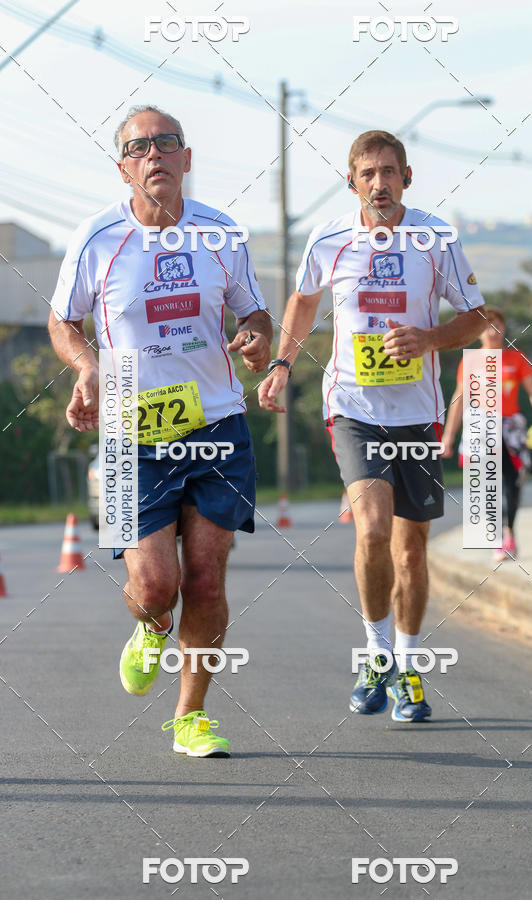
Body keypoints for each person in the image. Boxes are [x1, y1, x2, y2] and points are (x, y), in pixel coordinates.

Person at [48, 105, 272, 757]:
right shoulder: (97, 239)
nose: (155, 155)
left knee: (205, 577)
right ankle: (150, 625)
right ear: (124, 167)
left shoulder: (222, 234)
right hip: (129, 427)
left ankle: (191, 716)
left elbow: (253, 310)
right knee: (156, 586)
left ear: (186, 158)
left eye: (166, 143)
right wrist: (87, 369)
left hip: (217, 422)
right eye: (139, 147)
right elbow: (64, 323)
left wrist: (257, 336)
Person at [258, 130, 486, 722]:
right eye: (368, 174)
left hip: (418, 413)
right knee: (373, 531)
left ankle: (409, 668)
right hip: (353, 408)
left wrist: (431, 337)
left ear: (406, 177)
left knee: (411, 552)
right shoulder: (329, 238)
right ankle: (376, 654)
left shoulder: (435, 238)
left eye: (389, 172)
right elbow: (304, 301)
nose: (379, 183)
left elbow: (478, 317)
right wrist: (283, 363)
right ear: (352, 181)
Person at [442, 307, 532, 561]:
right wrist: (448, 436)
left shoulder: (516, 358)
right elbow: (459, 400)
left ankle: (509, 529)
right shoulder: (470, 361)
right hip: (480, 427)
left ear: (503, 329)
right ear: (478, 332)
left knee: (512, 480)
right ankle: (498, 536)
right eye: (486, 326)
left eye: (497, 325)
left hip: (510, 427)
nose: (492, 330)